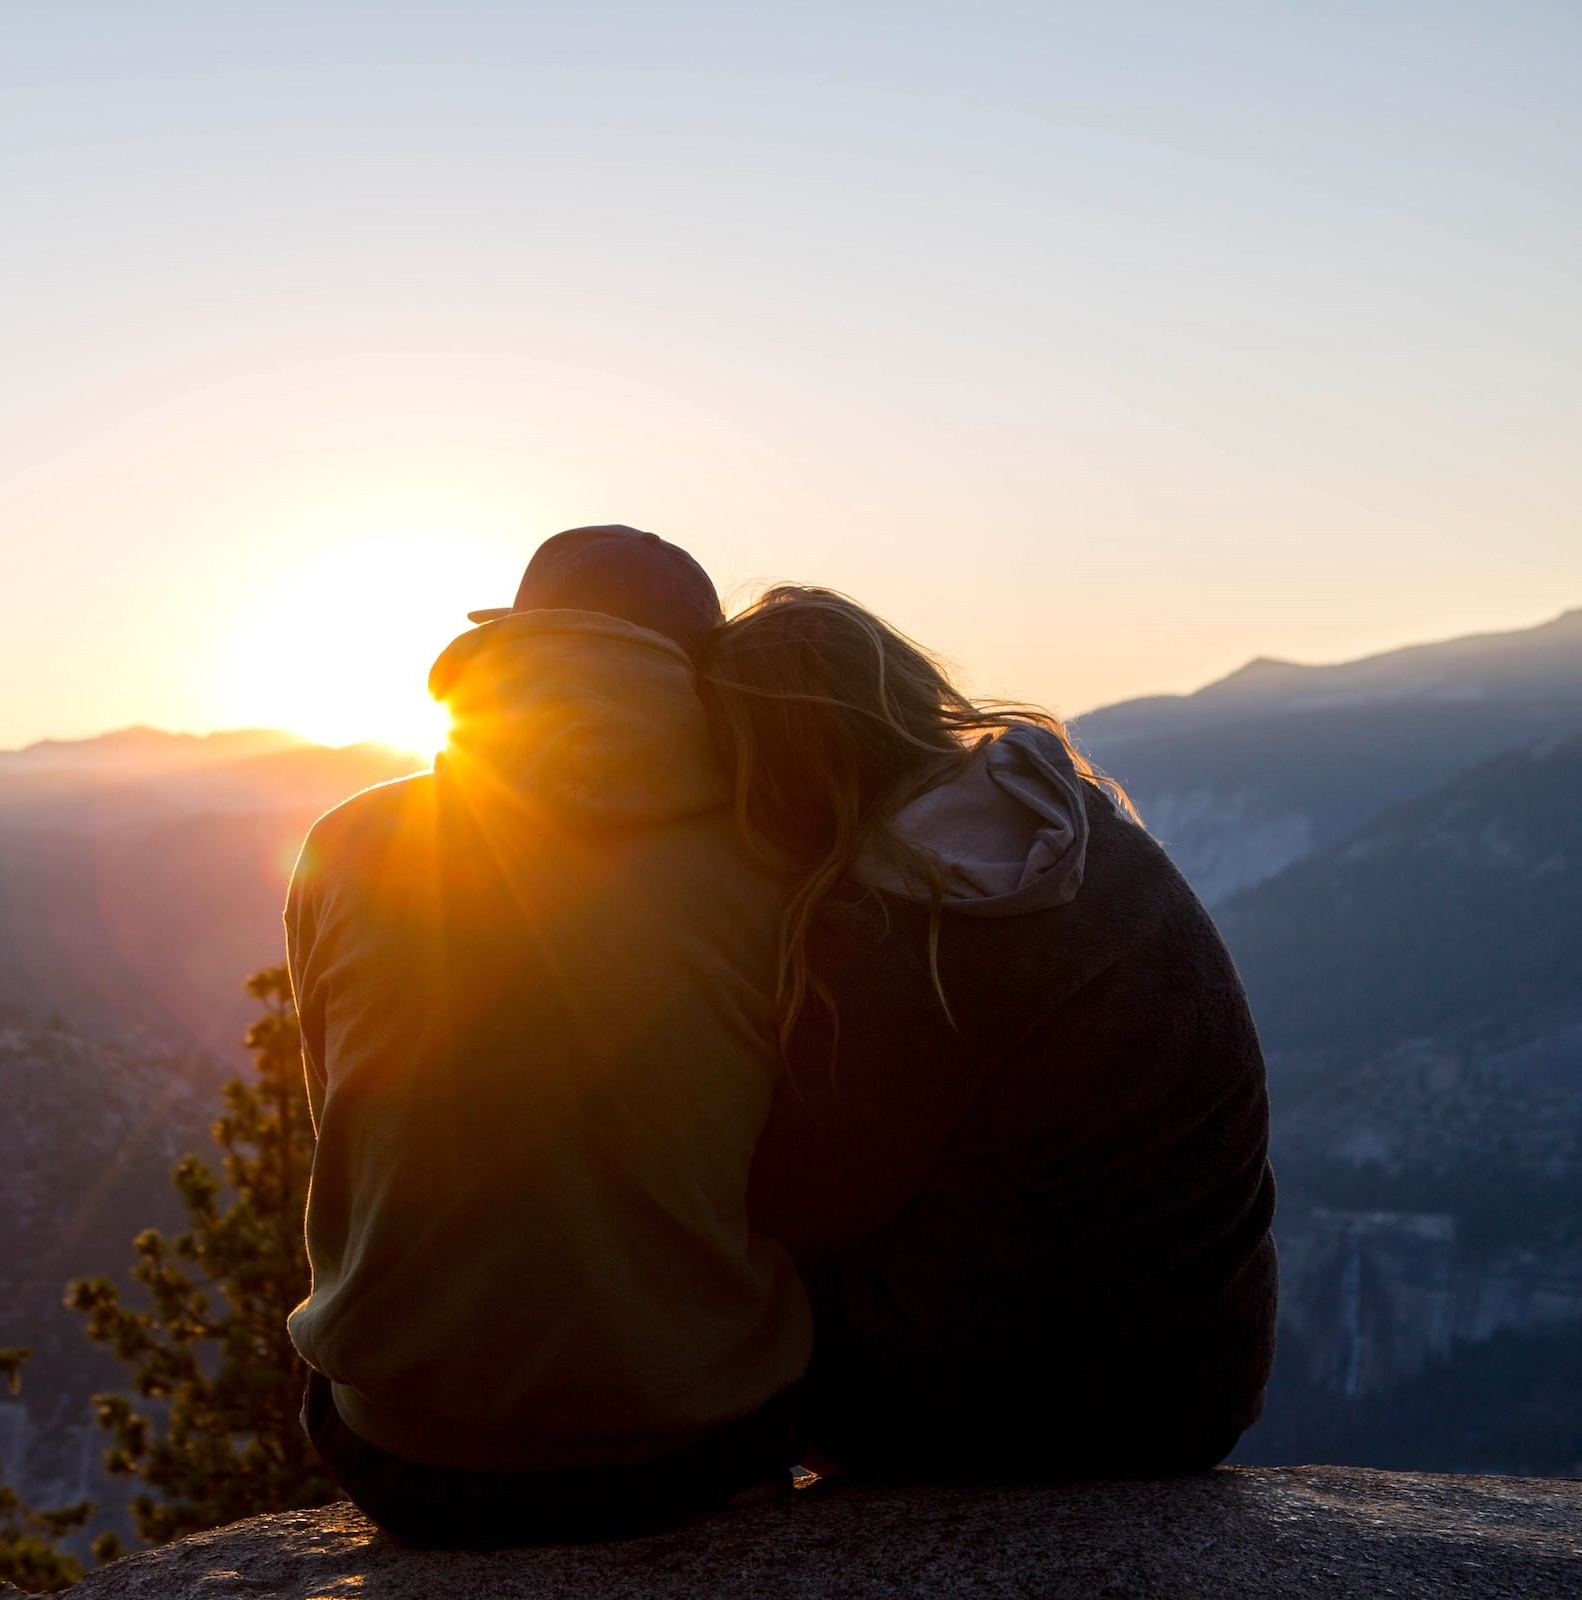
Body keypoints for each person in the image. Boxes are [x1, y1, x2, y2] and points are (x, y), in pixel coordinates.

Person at [283, 526, 810, 1547]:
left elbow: (341, 1123)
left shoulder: (344, 845)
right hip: (693, 1450)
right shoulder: (779, 861)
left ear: (513, 653)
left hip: (406, 1453)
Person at [699, 584, 1278, 1481]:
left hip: (999, 1412)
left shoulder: (894, 926)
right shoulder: (1083, 826)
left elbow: (798, 1209)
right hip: (1203, 1382)